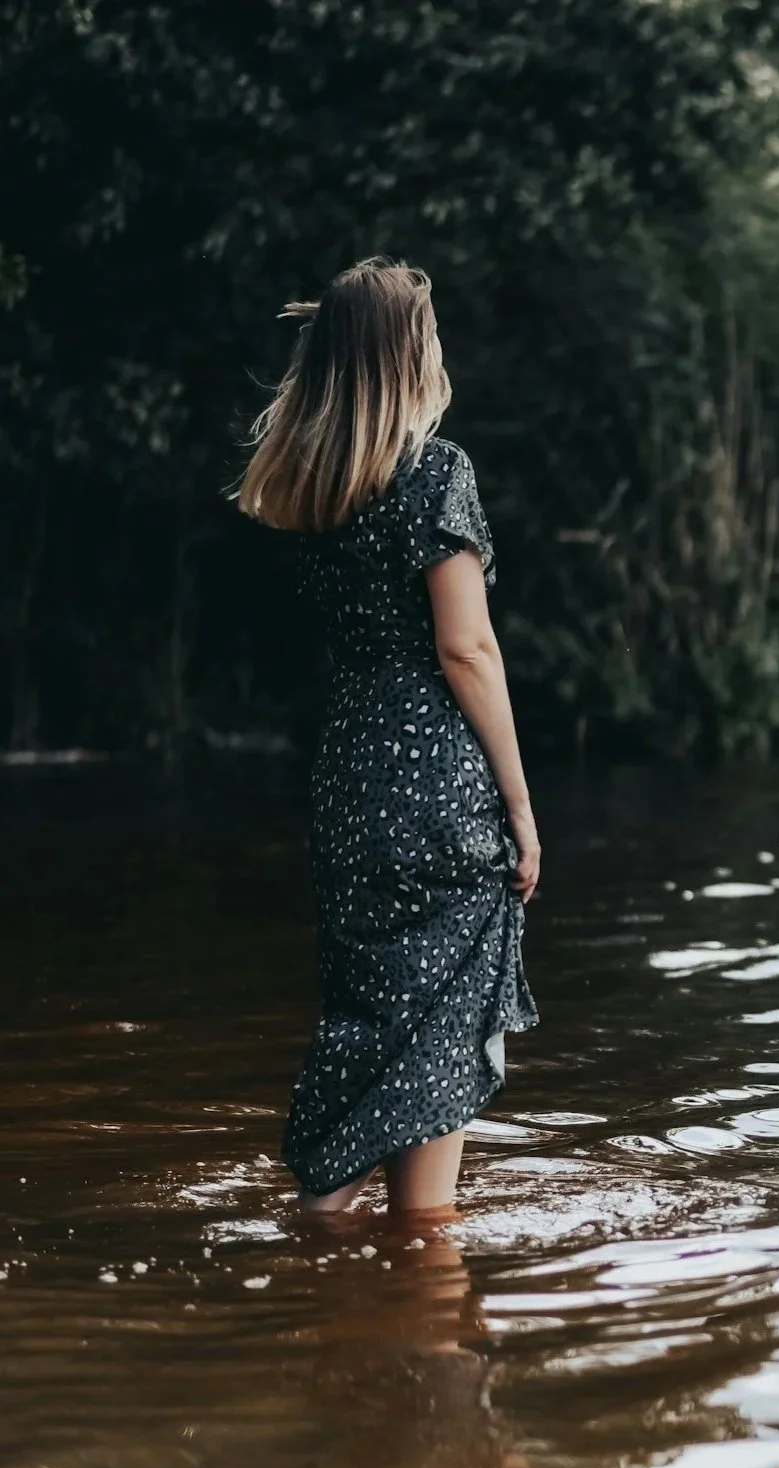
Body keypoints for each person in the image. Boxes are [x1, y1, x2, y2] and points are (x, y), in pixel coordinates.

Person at [237, 256, 539, 1218]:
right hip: (439, 786)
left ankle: (321, 1239)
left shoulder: (316, 489)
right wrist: (523, 808)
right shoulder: (438, 473)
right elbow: (468, 650)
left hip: (350, 780)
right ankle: (420, 1316)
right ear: (410, 353)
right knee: (438, 1044)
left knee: (368, 1021)